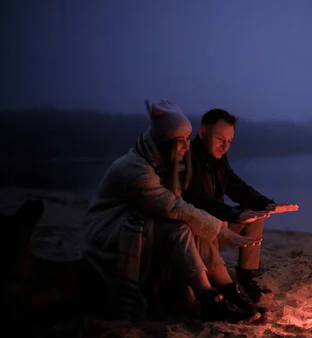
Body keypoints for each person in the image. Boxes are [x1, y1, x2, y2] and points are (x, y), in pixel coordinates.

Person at [82, 100, 262, 323]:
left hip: (141, 225)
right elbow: (176, 207)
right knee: (181, 228)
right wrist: (224, 230)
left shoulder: (166, 164)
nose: (187, 146)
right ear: (165, 142)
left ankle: (228, 289)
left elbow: (227, 190)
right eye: (181, 141)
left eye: (188, 139)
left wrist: (261, 205)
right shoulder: (136, 171)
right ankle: (208, 299)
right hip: (110, 232)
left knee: (195, 227)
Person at [183, 109, 299, 305]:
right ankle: (223, 289)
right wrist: (234, 214)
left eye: (229, 142)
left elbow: (235, 186)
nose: (225, 146)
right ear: (202, 133)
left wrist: (266, 204)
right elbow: (199, 199)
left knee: (255, 215)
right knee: (242, 215)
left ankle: (245, 277)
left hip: (217, 228)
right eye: (220, 139)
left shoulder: (218, 159)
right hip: (197, 233)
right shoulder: (187, 158)